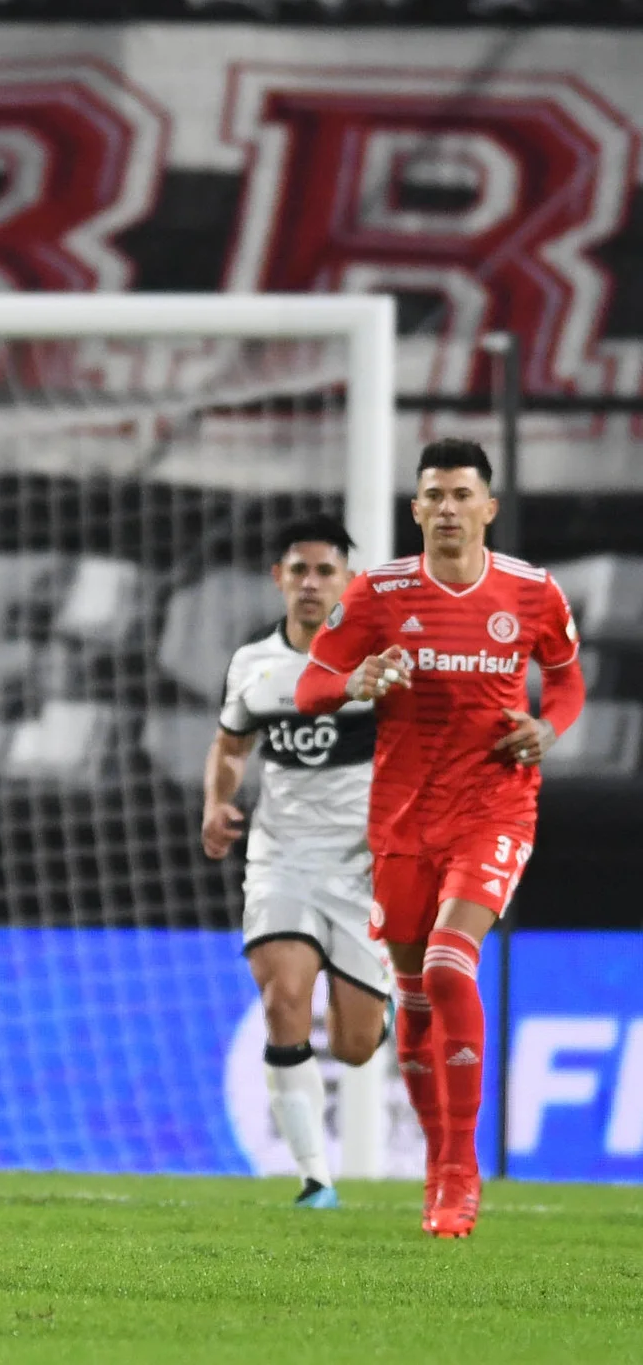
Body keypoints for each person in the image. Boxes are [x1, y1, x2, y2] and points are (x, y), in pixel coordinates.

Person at [296, 438, 585, 1238]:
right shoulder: (380, 593)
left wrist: (547, 728)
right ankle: (438, 1160)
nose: (449, 508)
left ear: (488, 508)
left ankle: (461, 1171)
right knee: (416, 1000)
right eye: (435, 495)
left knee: (456, 966)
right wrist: (354, 683)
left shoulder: (532, 592)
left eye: (464, 494)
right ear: (417, 509)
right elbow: (314, 680)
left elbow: (565, 680)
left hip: (494, 805)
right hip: (401, 821)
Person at [202, 515, 389, 1209]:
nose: (311, 583)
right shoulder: (254, 663)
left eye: (325, 571)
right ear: (279, 578)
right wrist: (216, 805)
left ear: (348, 582)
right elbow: (229, 746)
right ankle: (316, 1177)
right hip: (280, 858)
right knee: (283, 999)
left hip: (363, 867)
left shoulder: (379, 662)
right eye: (299, 570)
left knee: (357, 1046)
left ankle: (382, 1006)